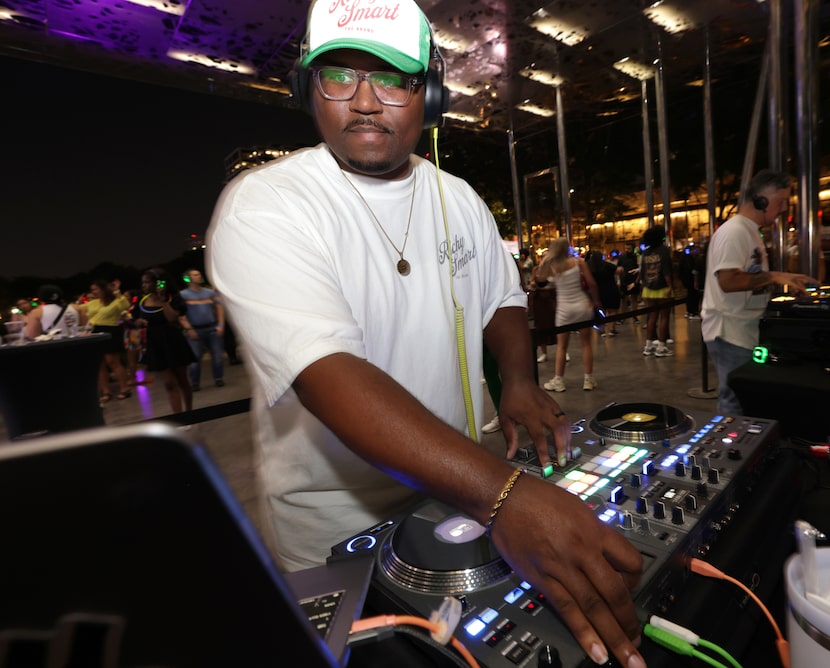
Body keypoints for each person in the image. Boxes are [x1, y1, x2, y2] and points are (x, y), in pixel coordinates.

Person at [206, 2, 645, 666]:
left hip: (457, 490)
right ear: (306, 87)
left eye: (391, 79)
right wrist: (505, 493)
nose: (363, 102)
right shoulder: (266, 205)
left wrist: (520, 382)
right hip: (336, 528)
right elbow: (329, 376)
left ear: (428, 93)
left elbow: (501, 301)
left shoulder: (459, 199)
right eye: (339, 77)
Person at [701, 169, 817, 415]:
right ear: (761, 201)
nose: (784, 207)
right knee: (735, 400)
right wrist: (775, 275)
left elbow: (748, 278)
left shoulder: (750, 230)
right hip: (729, 331)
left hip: (742, 329)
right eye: (781, 201)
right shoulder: (734, 232)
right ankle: (732, 447)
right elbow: (728, 281)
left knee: (744, 397)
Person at [537, 238, 601, 392]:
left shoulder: (553, 266)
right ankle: (588, 380)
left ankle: (558, 380)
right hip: (582, 306)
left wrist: (546, 259)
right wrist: (596, 300)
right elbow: (591, 283)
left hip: (564, 309)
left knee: (562, 346)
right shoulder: (579, 263)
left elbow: (539, 278)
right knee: (586, 344)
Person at [131, 268, 197, 414]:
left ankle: (190, 413)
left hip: (173, 340)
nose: (144, 285)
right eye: (143, 282)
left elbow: (172, 318)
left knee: (182, 380)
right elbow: (135, 318)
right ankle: (179, 417)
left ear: (159, 283)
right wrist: (139, 322)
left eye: (147, 282)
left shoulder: (173, 298)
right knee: (169, 384)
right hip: (155, 343)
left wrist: (162, 300)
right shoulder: (142, 300)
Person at [82, 279, 132, 402]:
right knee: (100, 363)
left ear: (103, 289)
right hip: (94, 332)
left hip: (110, 331)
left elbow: (125, 305)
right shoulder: (93, 303)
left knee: (113, 361)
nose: (93, 292)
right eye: (92, 289)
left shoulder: (116, 301)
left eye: (95, 289)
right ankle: (106, 392)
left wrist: (116, 290)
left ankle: (125, 388)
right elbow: (79, 309)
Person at [179, 268, 226, 390]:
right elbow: (181, 315)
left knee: (217, 356)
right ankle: (194, 382)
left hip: (212, 328)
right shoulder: (183, 295)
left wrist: (220, 324)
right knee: (195, 359)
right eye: (195, 275)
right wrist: (189, 329)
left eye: (199, 274)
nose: (199, 276)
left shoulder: (209, 293)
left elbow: (219, 308)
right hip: (195, 329)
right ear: (188, 279)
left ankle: (218, 378)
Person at [639, 225, 675, 357]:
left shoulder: (645, 252)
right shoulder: (664, 250)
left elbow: (642, 271)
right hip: (662, 287)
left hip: (648, 289)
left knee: (652, 317)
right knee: (664, 317)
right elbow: (666, 269)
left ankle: (648, 346)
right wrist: (670, 286)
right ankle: (661, 346)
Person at [586, 249, 621, 336]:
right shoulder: (607, 265)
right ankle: (612, 329)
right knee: (612, 311)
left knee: (601, 311)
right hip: (611, 289)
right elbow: (619, 270)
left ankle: (601, 330)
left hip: (598, 291)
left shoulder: (589, 267)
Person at [617, 242, 641, 323]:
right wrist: (619, 280)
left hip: (634, 279)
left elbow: (640, 267)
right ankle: (623, 316)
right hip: (624, 279)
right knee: (623, 299)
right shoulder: (621, 257)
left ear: (633, 248)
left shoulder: (636, 257)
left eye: (629, 248)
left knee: (634, 298)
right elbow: (619, 269)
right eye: (626, 248)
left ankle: (635, 316)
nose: (627, 250)